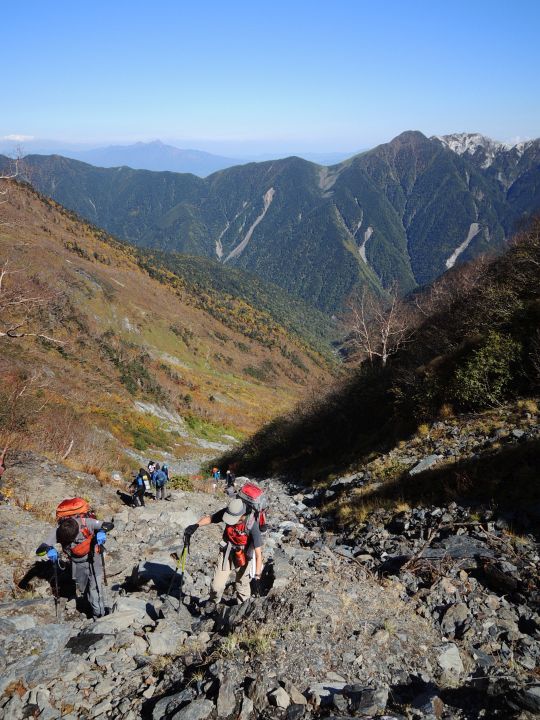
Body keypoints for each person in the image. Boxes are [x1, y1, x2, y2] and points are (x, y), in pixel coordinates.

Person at [36, 503, 113, 618]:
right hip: (77, 563)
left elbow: (108, 524)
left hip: (94, 557)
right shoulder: (59, 531)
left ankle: (99, 614)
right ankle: (90, 607)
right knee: (84, 588)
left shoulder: (86, 522)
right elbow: (39, 550)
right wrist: (49, 549)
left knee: (94, 587)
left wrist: (102, 531)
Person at [184, 497, 263, 608]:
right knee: (216, 586)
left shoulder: (252, 524)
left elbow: (259, 554)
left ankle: (242, 609)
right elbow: (211, 518)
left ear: (242, 515)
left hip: (245, 556)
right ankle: (213, 605)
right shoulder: (228, 512)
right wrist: (195, 525)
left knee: (242, 585)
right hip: (227, 552)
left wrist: (257, 577)